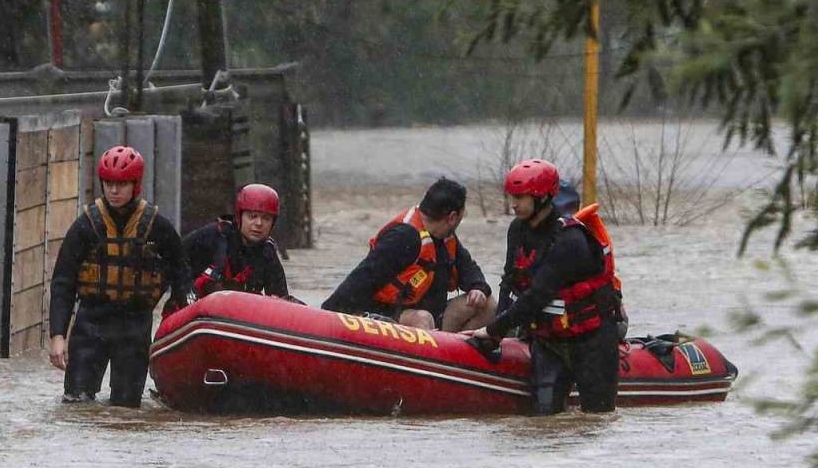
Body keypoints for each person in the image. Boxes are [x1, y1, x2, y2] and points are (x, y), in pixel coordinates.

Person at [463, 159, 623, 415]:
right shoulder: (517, 230)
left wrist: (493, 330)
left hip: (592, 341)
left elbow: (537, 295)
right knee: (543, 419)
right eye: (511, 196)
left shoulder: (570, 240)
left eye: (520, 197)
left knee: (598, 417)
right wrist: (499, 331)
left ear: (542, 197)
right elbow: (510, 283)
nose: (513, 203)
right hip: (549, 341)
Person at [47, 145, 192, 407]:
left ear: (135, 185)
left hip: (134, 327)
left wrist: (187, 326)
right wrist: (58, 335)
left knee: (126, 410)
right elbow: (63, 282)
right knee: (76, 405)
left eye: (122, 184)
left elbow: (182, 276)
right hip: (91, 323)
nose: (114, 191)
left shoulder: (157, 227)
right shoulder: (86, 226)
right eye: (109, 183)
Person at [321, 177, 494, 331]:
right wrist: (326, 317)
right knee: (422, 319)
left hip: (436, 320)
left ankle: (455, 358)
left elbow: (468, 268)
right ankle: (428, 362)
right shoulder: (404, 237)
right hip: (388, 316)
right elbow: (363, 278)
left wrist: (478, 287)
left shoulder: (445, 237)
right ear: (452, 217)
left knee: (488, 305)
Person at [182, 183, 292, 300]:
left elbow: (281, 300)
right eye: (252, 216)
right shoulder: (212, 236)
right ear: (239, 217)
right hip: (195, 309)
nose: (259, 223)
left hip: (233, 314)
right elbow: (174, 262)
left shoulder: (267, 253)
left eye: (266, 218)